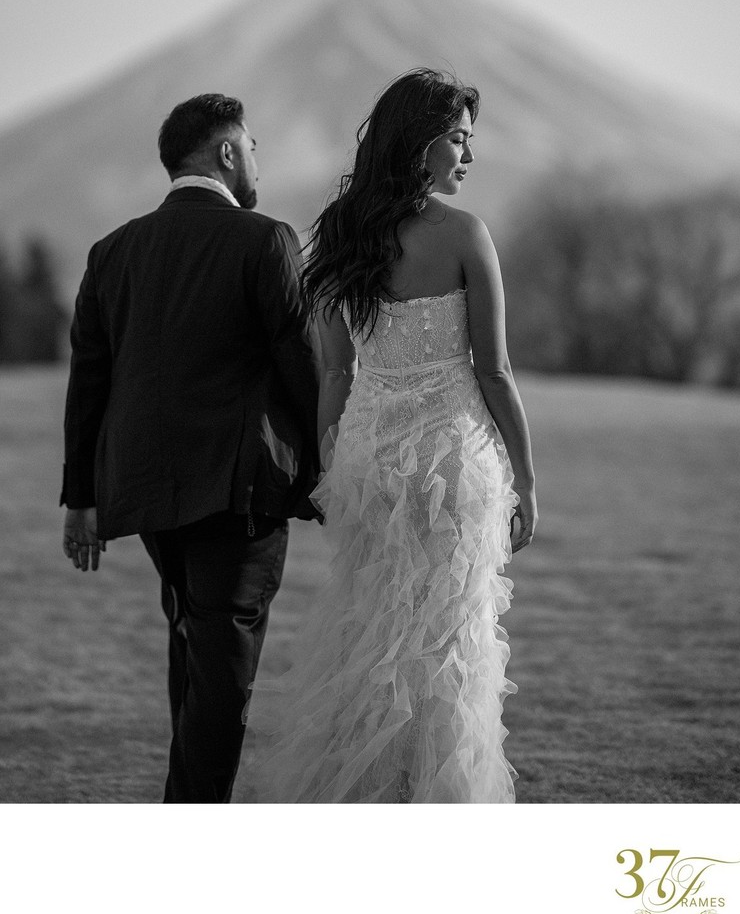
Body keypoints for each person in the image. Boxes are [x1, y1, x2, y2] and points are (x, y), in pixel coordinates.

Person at [255, 68, 537, 803]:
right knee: (445, 645)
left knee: (370, 633)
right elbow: (495, 368)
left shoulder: (340, 236)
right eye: (457, 138)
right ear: (420, 144)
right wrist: (528, 480)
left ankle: (358, 796)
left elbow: (336, 375)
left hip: (369, 463)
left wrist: (326, 460)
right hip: (454, 462)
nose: (467, 156)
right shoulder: (465, 234)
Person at [60, 93, 320, 803]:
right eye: (254, 145)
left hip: (146, 494)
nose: (258, 158)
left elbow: (88, 381)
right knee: (219, 670)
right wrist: (324, 470)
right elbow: (303, 369)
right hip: (238, 497)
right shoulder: (265, 240)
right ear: (227, 153)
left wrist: (79, 497)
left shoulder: (112, 251)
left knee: (195, 646)